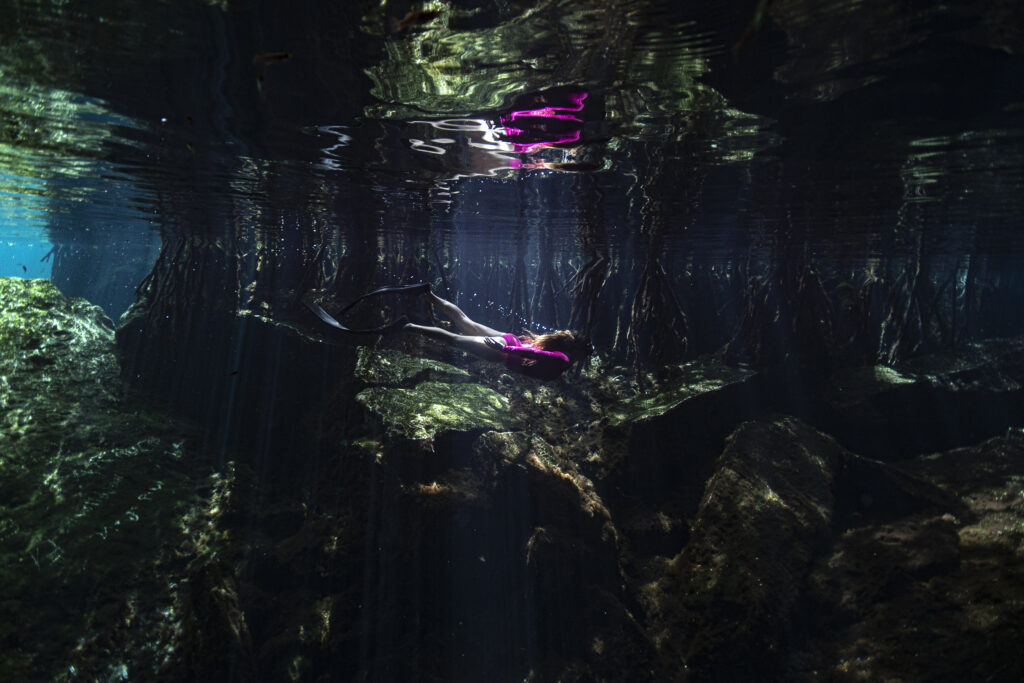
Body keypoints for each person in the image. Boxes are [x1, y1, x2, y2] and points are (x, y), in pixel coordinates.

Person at [404, 290, 591, 382]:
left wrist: (506, 346)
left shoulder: (557, 350)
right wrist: (503, 349)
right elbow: (538, 356)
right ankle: (408, 326)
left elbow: (538, 356)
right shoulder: (564, 359)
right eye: (585, 355)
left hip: (510, 339)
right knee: (452, 339)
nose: (584, 359)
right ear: (577, 351)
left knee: (466, 322)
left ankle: (427, 294)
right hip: (503, 351)